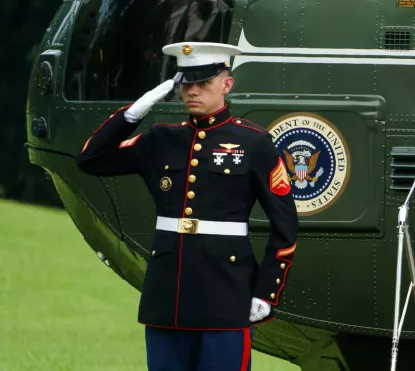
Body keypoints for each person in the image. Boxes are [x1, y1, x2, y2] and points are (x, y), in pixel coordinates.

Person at [76, 42, 299, 370]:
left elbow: (285, 226)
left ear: (226, 84)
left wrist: (266, 292)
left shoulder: (254, 143)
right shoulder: (160, 139)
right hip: (167, 296)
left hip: (226, 294)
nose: (192, 92)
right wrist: (133, 113)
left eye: (203, 83)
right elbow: (90, 159)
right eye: (186, 84)